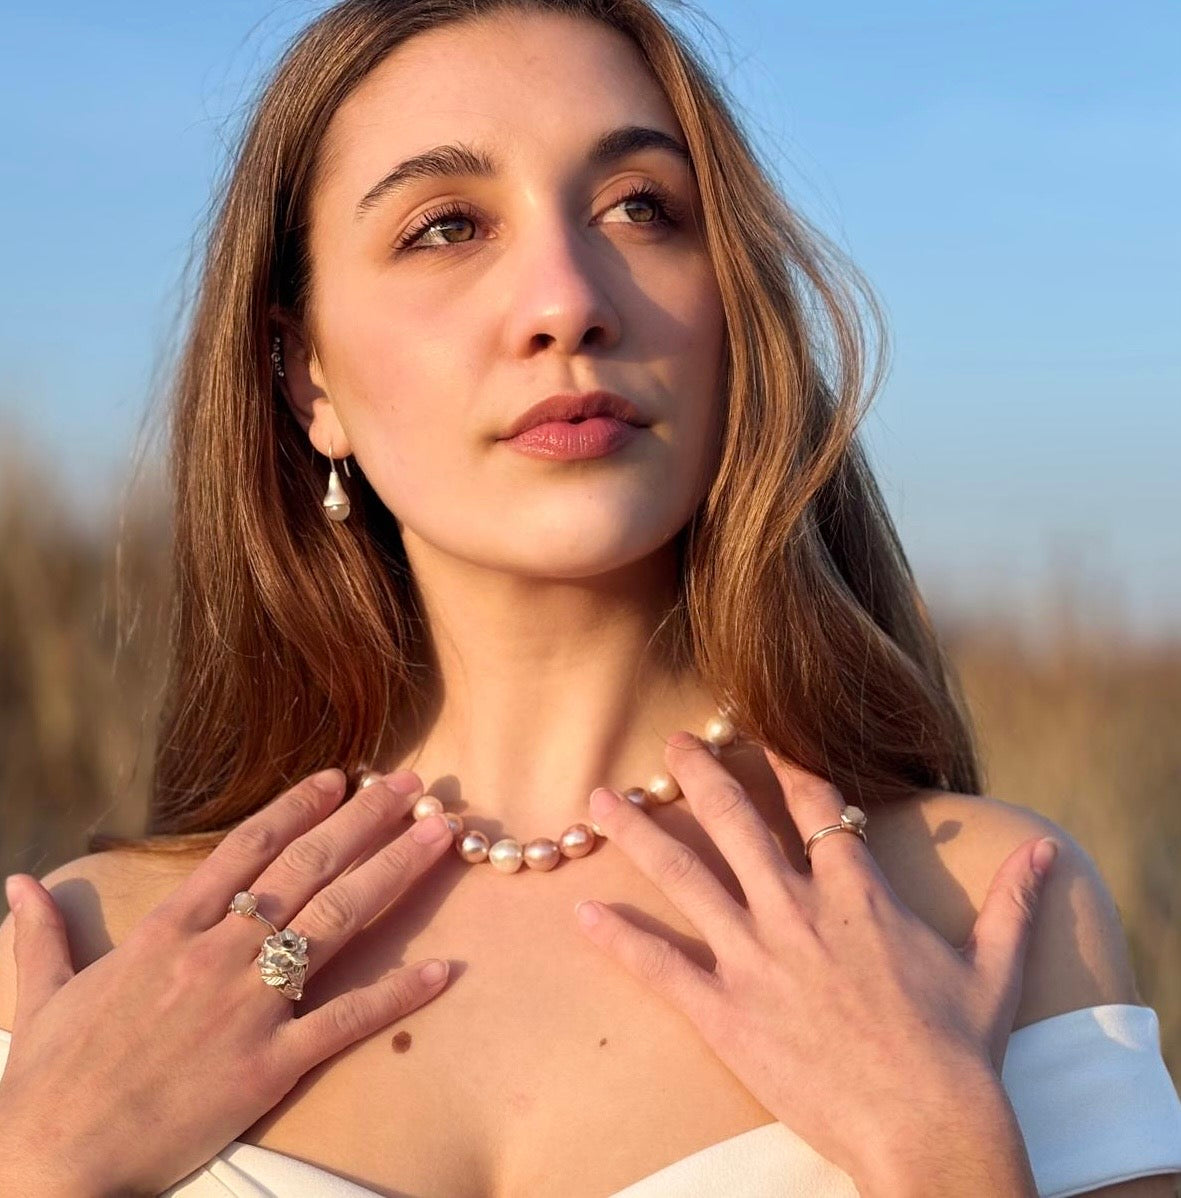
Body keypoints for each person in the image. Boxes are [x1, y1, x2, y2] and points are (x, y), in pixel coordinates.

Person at [1, 0, 1179, 1194]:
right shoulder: (88, 957)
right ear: (308, 380)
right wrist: (38, 1161)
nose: (567, 300)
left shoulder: (975, 910)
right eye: (446, 226)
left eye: (639, 208)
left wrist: (941, 1149)